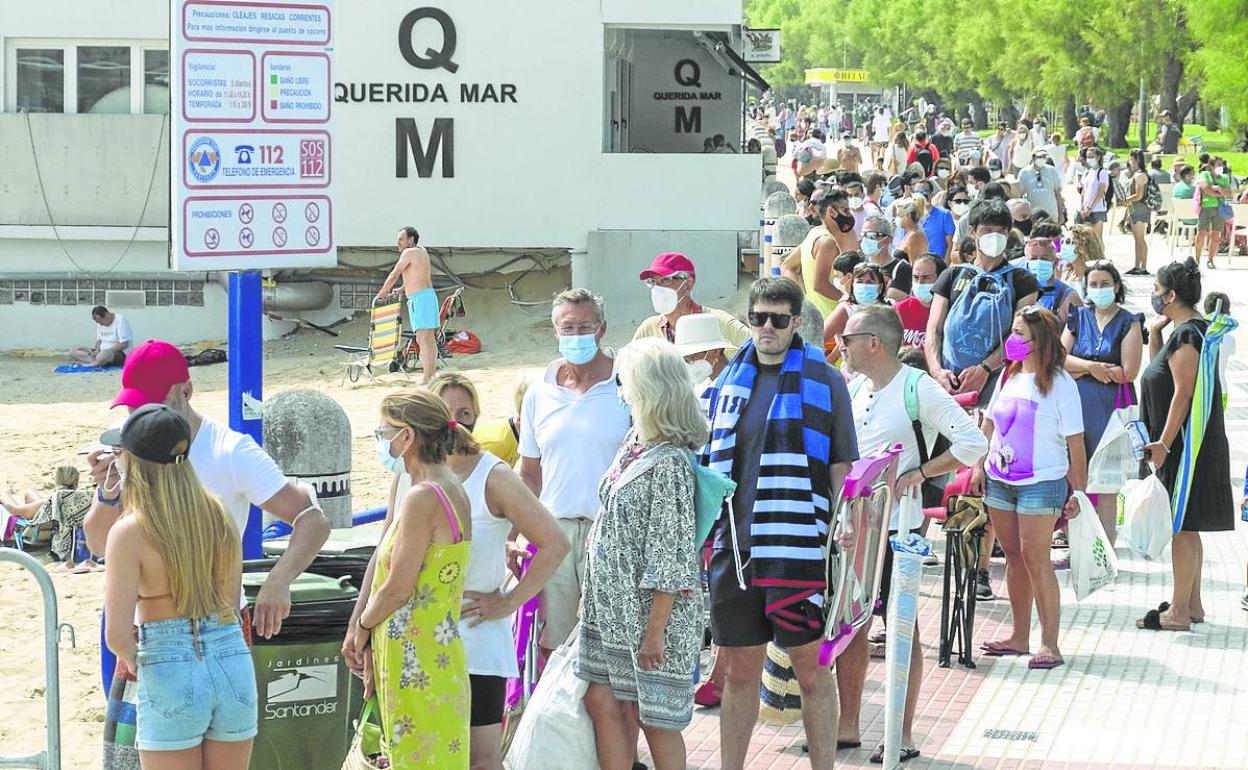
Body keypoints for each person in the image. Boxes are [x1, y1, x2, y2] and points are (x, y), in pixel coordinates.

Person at [701, 276, 857, 770]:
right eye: (759, 317)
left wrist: (843, 525)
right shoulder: (726, 382)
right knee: (740, 673)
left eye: (779, 319)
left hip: (796, 549)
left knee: (812, 672)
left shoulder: (825, 380)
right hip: (735, 548)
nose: (767, 327)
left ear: (796, 323)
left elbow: (840, 466)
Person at [836, 305, 988, 762]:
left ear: (874, 343)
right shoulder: (856, 385)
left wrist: (920, 472)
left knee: (901, 622)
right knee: (852, 621)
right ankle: (847, 726)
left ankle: (901, 732)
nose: (841, 345)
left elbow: (973, 443)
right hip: (854, 523)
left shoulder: (917, 387)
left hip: (898, 522)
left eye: (848, 337)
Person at [400, 380, 569, 770]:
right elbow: (383, 554)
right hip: (415, 637)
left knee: (480, 759)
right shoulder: (409, 473)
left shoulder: (493, 476)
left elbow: (555, 543)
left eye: (465, 414)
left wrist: (509, 601)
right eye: (445, 413)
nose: (454, 422)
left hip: (473, 638)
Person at [102, 404, 255, 770]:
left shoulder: (130, 531)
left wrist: (145, 663)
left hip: (168, 660)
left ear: (136, 462)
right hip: (230, 656)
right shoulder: (219, 516)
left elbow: (117, 636)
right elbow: (230, 605)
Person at [578, 338, 706, 770]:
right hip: (613, 611)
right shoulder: (637, 440)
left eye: (626, 385)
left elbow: (670, 554)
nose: (621, 394)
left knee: (656, 721)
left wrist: (655, 631)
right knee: (607, 699)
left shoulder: (670, 461)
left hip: (649, 617)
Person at [344, 391, 475, 769]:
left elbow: (399, 587)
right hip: (432, 651)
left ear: (407, 437)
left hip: (415, 658)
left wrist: (362, 627)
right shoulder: (449, 486)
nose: (382, 440)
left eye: (385, 431)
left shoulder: (424, 496)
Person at [518, 289, 632, 655]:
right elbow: (529, 473)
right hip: (557, 533)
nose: (576, 335)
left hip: (613, 531)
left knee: (614, 647)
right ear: (555, 332)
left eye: (585, 326)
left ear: (602, 329)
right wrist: (517, 534)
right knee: (556, 645)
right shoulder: (538, 393)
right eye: (568, 327)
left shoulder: (627, 386)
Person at [973, 306, 1087, 670]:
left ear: (1040, 341)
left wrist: (1078, 493)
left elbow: (1076, 444)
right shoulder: (1009, 375)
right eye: (1013, 331)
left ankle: (1049, 643)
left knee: (1037, 559)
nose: (1012, 339)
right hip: (1000, 482)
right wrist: (978, 464)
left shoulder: (1060, 384)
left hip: (1042, 483)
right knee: (1012, 555)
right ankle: (1018, 635)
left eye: (1020, 333)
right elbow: (989, 425)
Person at [1137, 259, 1235, 631]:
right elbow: (1159, 373)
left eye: (1158, 291)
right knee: (1187, 524)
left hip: (1185, 445)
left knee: (1182, 525)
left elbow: (1184, 392)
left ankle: (1178, 611)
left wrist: (1163, 441)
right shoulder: (1183, 331)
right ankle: (1191, 603)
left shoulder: (1190, 335)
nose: (1155, 298)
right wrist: (1155, 336)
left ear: (1171, 295)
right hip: (1182, 443)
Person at [925, 198, 1041, 406]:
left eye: (1000, 231)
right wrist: (937, 371)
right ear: (973, 231)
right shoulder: (951, 276)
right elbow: (934, 330)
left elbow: (1020, 338)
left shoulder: (1023, 281)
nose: (994, 237)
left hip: (998, 386)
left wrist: (985, 369)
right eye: (987, 230)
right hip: (947, 382)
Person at [1061, 260, 1143, 542]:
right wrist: (1092, 367)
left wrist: (1084, 367)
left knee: (1107, 482)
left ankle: (1105, 548)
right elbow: (1060, 358)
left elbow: (1128, 371)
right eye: (1093, 284)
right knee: (1074, 476)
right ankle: (1074, 540)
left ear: (1116, 286)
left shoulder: (1129, 322)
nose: (1099, 289)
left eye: (1105, 284)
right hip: (1076, 405)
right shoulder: (1078, 318)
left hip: (1111, 410)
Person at [632, 252, 748, 349]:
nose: (657, 288)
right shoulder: (648, 330)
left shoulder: (718, 322)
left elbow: (758, 350)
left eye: (665, 280)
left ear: (688, 284)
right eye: (652, 282)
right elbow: (626, 370)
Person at [377, 226, 441, 383]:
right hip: (428, 297)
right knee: (429, 339)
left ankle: (427, 377)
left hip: (420, 300)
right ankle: (431, 374)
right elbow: (418, 276)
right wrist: (401, 289)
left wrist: (382, 292)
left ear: (411, 240)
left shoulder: (408, 252)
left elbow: (394, 274)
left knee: (422, 339)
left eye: (401, 239)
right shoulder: (422, 251)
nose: (397, 243)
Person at [2, 465, 93, 566]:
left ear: (56, 481)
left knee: (8, 500)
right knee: (30, 493)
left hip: (36, 535)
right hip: (62, 531)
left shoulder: (55, 501)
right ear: (76, 482)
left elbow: (15, 510)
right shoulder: (87, 499)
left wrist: (3, 496)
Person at [824, 262, 891, 365]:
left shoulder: (890, 308)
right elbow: (819, 337)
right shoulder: (846, 309)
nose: (864, 286)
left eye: (870, 282)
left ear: (880, 287)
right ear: (853, 285)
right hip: (854, 373)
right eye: (860, 282)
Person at [1024, 224, 1081, 324]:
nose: (1039, 262)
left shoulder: (1067, 296)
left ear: (1055, 261)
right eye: (1033, 258)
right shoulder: (1018, 290)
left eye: (1045, 258)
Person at [894, 254, 944, 349]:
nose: (920, 283)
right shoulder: (899, 310)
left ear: (941, 279)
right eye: (916, 277)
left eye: (926, 278)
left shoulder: (949, 311)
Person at [675, 312, 735, 391]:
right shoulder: (699, 390)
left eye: (690, 358)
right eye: (684, 360)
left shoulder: (742, 382)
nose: (688, 364)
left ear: (716, 351)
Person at [860, 215, 912, 300]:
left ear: (887, 239)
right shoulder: (860, 264)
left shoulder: (901, 268)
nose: (865, 239)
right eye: (863, 235)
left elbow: (892, 302)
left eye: (871, 236)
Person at [1195, 156, 1232, 269]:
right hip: (1206, 207)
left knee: (1216, 236)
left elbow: (1229, 193)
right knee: (1201, 234)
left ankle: (1210, 260)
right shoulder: (1204, 174)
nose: (1220, 167)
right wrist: (1220, 192)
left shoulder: (1224, 177)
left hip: (1219, 208)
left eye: (1221, 164)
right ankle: (1196, 259)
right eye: (1218, 164)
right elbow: (1206, 189)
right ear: (1211, 166)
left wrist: (1218, 190)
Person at [1018, 149, 1065, 225]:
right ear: (1033, 157)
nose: (1042, 159)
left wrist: (1061, 213)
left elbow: (1058, 194)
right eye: (1040, 156)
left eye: (1044, 156)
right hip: (1033, 215)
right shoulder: (1024, 172)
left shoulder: (1052, 170)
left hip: (1051, 213)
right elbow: (1020, 195)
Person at [913, 178, 956, 258]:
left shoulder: (944, 215)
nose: (920, 196)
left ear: (931, 194)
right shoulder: (911, 217)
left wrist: (945, 266)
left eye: (923, 192)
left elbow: (951, 245)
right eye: (916, 193)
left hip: (938, 264)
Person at [1076, 147, 1110, 241]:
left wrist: (1090, 208)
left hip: (1097, 209)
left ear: (1098, 157)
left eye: (1092, 156)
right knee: (1086, 239)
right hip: (1085, 210)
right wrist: (1083, 208)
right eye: (1088, 157)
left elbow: (1100, 193)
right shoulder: (1087, 172)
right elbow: (1083, 191)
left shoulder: (1102, 173)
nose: (1089, 159)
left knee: (1097, 239)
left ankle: (1099, 256)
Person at [895, 197, 930, 262]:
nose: (899, 219)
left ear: (908, 216)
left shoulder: (915, 235)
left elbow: (915, 264)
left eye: (901, 216)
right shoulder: (909, 233)